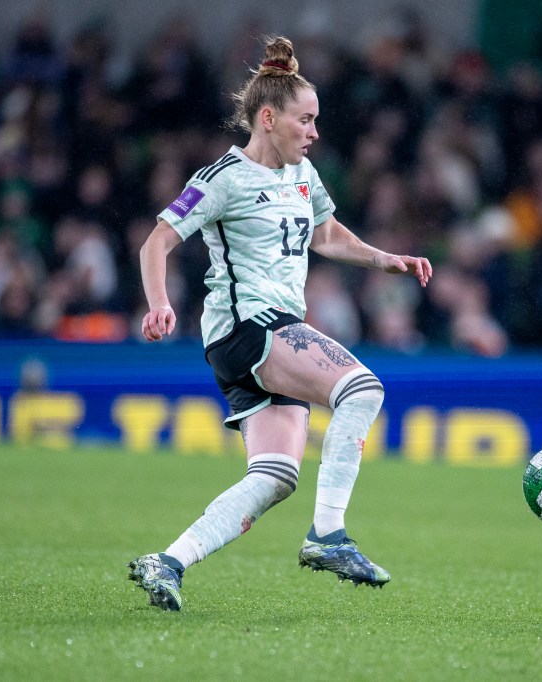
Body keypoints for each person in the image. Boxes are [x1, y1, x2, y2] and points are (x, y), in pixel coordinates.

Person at [127, 36, 432, 612]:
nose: (314, 132)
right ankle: (328, 537)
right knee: (362, 389)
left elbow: (327, 235)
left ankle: (167, 562)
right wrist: (159, 302)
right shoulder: (223, 177)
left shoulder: (302, 172)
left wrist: (386, 258)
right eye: (306, 120)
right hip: (249, 325)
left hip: (267, 331)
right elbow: (157, 241)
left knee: (275, 476)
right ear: (268, 118)